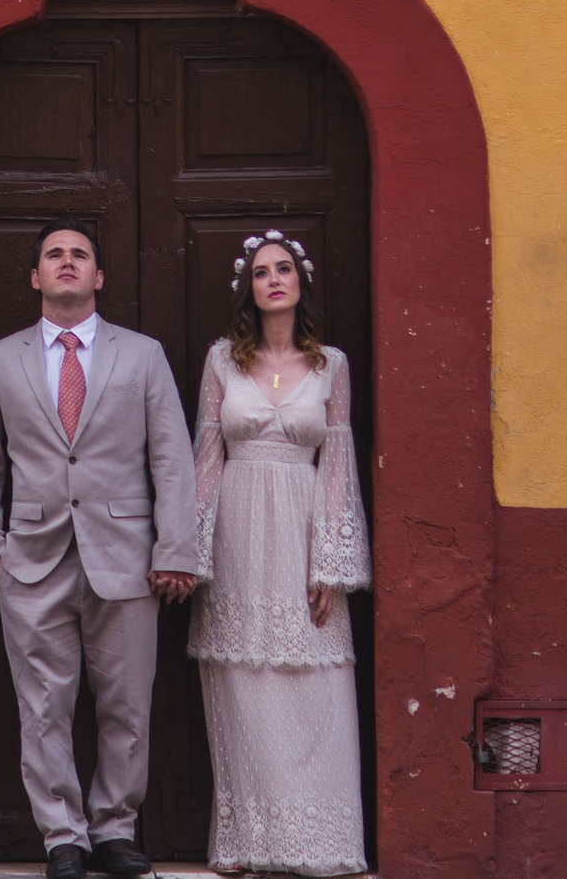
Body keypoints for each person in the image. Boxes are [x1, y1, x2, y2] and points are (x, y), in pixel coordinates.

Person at [0, 224, 198, 879]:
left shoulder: (142, 356)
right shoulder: (0, 360)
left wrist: (176, 547)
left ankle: (116, 828)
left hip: (126, 558)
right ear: (36, 277)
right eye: (54, 255)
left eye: (80, 255)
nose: (67, 263)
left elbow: (172, 458)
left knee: (126, 704)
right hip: (30, 562)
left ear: (99, 278)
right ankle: (62, 836)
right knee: (43, 707)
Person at [187, 231, 372, 877]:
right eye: (262, 271)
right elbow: (205, 463)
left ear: (300, 282)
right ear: (250, 288)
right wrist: (192, 553)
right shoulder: (221, 362)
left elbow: (338, 467)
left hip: (301, 535)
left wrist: (333, 566)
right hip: (238, 537)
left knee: (313, 684)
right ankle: (251, 845)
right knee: (244, 685)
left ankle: (321, 845)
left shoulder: (332, 366)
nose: (273, 279)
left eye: (284, 269)